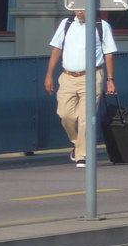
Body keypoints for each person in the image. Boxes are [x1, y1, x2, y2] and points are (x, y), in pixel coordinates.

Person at [44, 10, 118, 167]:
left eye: (82, 8)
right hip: (68, 77)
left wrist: (110, 79)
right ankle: (78, 145)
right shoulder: (66, 24)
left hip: (92, 76)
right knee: (65, 115)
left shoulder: (101, 26)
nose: (79, 12)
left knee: (86, 117)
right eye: (76, 9)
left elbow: (109, 54)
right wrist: (49, 74)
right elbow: (56, 49)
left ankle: (81, 156)